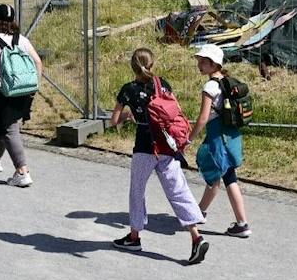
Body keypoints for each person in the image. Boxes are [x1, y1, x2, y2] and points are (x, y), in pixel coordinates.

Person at [107, 47, 208, 264]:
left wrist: (128, 115)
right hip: (167, 146)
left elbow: (113, 121)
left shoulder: (128, 90)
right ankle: (196, 236)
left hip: (144, 147)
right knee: (177, 190)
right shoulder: (163, 84)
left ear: (132, 67)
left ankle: (134, 237)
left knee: (137, 191)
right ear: (152, 64)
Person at [188, 44, 250, 237]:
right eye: (199, 60)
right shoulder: (227, 82)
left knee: (216, 175)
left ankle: (239, 223)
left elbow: (203, 118)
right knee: (228, 176)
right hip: (230, 134)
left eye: (203, 61)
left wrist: (189, 138)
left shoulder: (210, 86)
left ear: (213, 64)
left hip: (216, 136)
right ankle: (206, 213)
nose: (199, 64)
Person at [0, 4, 41, 187]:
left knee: (8, 129)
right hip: (22, 90)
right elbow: (37, 62)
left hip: (0, 91)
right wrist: (34, 86)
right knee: (2, 126)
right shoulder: (22, 40)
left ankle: (22, 171)